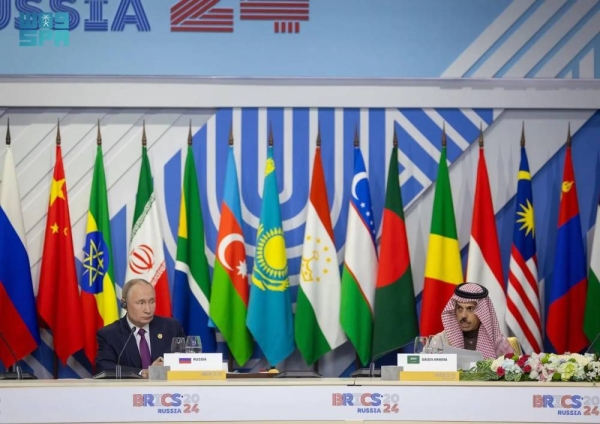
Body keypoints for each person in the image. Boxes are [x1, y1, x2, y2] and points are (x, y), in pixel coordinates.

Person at [95, 278, 185, 378]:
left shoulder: (171, 327)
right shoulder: (109, 334)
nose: (148, 310)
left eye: (151, 301)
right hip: (128, 392)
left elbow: (188, 361)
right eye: (141, 303)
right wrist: (144, 372)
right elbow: (103, 367)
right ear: (124, 304)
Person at [432, 282, 514, 359]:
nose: (463, 315)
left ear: (482, 312)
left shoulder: (499, 344)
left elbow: (514, 371)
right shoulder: (440, 341)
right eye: (459, 308)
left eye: (470, 309)